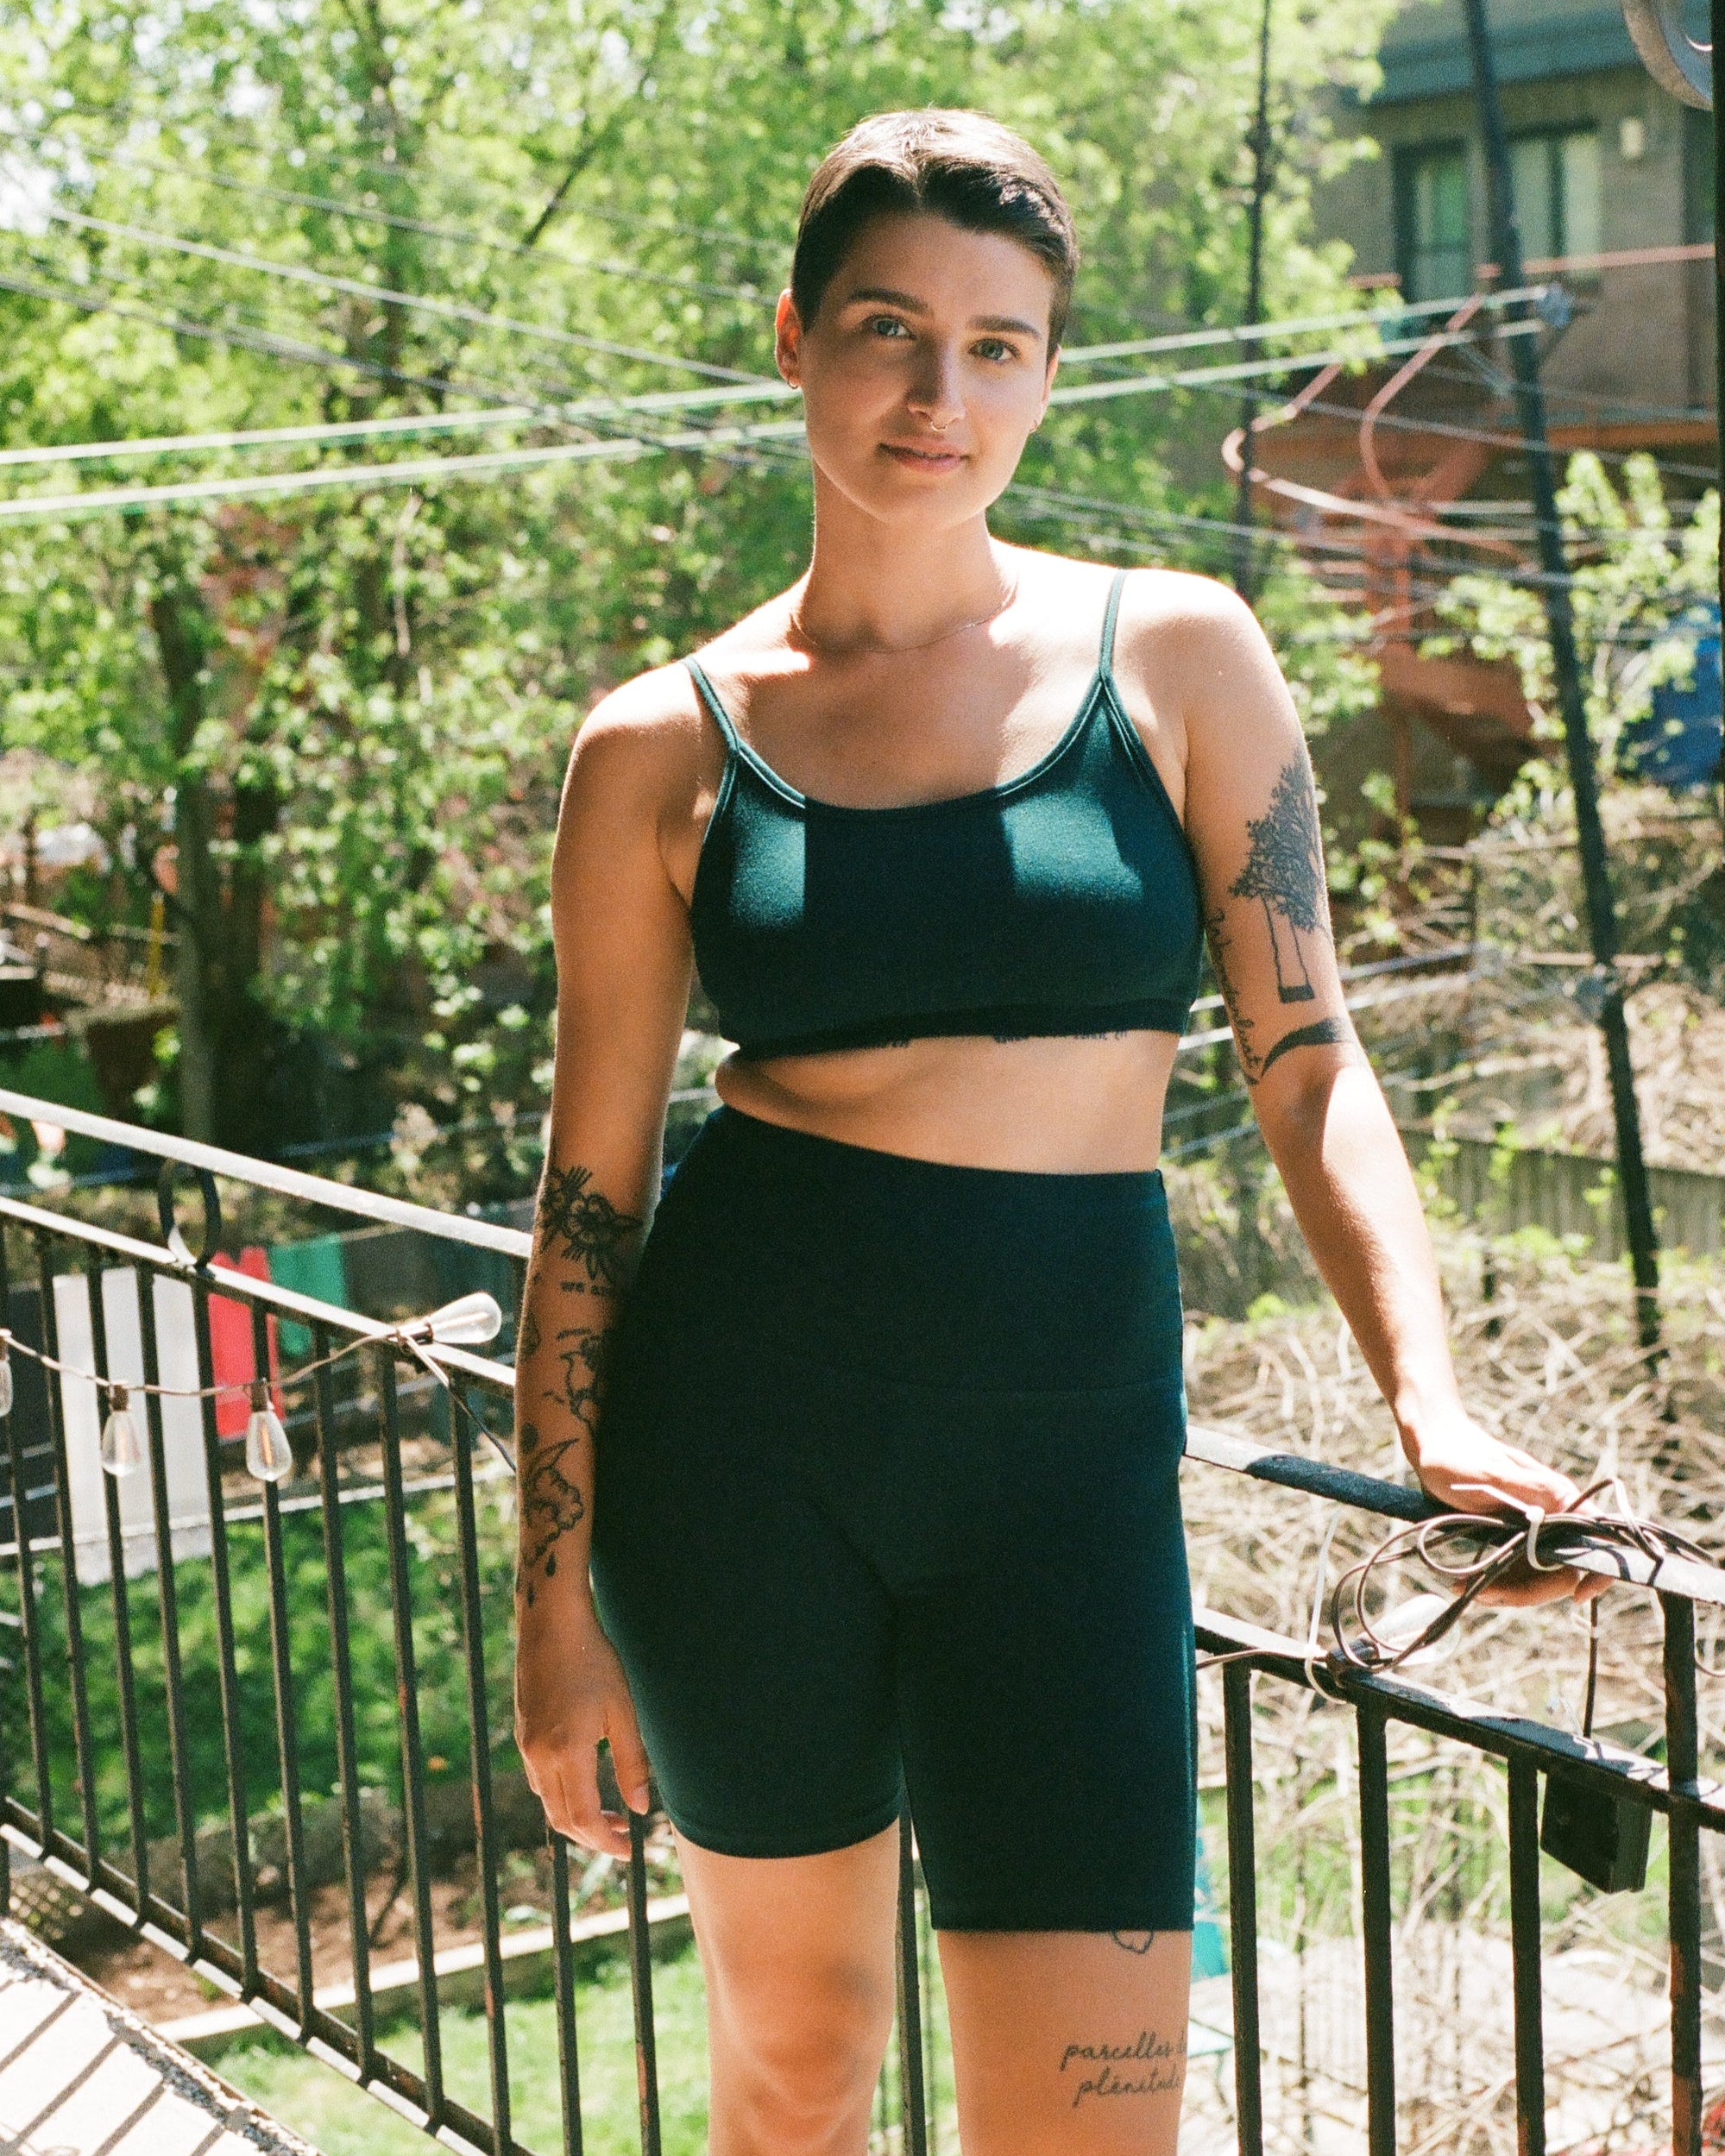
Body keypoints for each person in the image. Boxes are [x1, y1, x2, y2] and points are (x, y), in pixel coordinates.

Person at [512, 106, 1595, 2156]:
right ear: (794, 339)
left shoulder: (1174, 652)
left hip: (1065, 1474)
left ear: (1045, 373)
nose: (941, 393)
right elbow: (588, 1198)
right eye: (888, 330)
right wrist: (552, 1611)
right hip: (739, 1456)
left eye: (995, 345)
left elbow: (1309, 1057)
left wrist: (1428, 1394)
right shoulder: (659, 740)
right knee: (796, 2079)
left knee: (1096, 2119)